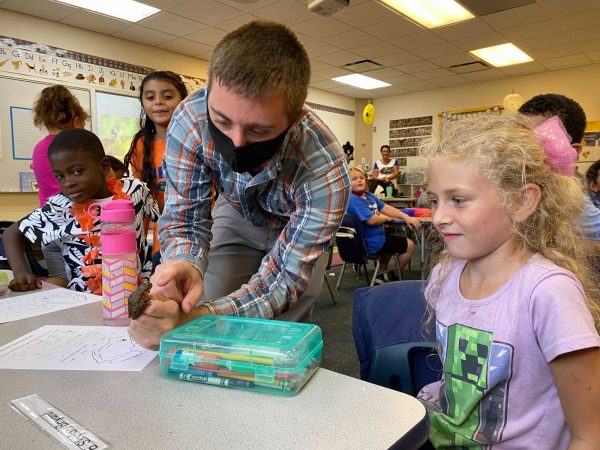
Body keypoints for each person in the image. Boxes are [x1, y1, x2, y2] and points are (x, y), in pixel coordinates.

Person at [128, 20, 350, 349]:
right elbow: (185, 218)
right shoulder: (190, 120)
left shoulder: (323, 167)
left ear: (293, 119)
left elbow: (282, 282)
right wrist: (183, 263)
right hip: (235, 210)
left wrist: (203, 318)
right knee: (207, 303)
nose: (235, 141)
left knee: (285, 332)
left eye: (258, 130)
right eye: (222, 120)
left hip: (294, 223)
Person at [417, 114, 600, 448]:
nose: (438, 218)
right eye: (434, 200)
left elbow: (589, 434)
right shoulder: (444, 275)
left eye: (458, 199)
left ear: (521, 201)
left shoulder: (548, 292)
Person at [4, 128, 159, 293]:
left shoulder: (135, 191)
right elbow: (11, 233)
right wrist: (21, 272)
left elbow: (161, 219)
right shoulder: (61, 207)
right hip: (84, 300)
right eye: (60, 176)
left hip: (137, 295)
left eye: (77, 172)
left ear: (104, 166)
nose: (68, 183)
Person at [123, 71, 188, 257]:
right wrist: (138, 243)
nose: (158, 102)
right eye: (150, 97)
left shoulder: (193, 141)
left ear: (182, 100)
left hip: (197, 227)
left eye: (167, 96)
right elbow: (140, 198)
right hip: (162, 229)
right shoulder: (141, 145)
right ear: (143, 103)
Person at [518, 93, 600, 241]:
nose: (525, 151)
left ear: (572, 152)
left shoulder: (573, 198)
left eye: (538, 143)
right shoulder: (512, 182)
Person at [31, 85, 89, 283]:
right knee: (85, 282)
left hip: (49, 227)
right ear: (76, 120)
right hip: (75, 227)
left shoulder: (38, 149)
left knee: (59, 281)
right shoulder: (75, 148)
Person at [346, 166, 419, 282]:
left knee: (390, 239)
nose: (359, 180)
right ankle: (393, 275)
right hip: (369, 243)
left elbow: (386, 208)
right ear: (347, 184)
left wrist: (406, 217)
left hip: (377, 239)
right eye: (354, 179)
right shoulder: (354, 200)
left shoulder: (369, 196)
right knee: (410, 244)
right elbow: (372, 220)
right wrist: (386, 218)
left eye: (361, 178)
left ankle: (381, 273)